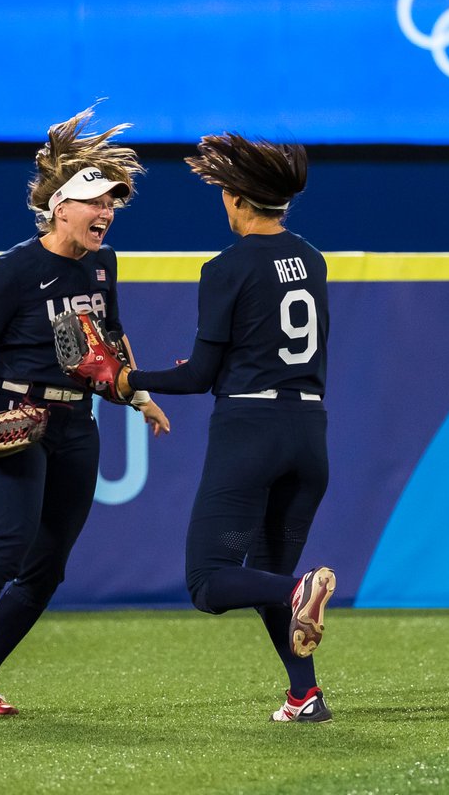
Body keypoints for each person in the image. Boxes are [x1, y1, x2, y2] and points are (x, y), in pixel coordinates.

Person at [0, 107, 170, 717]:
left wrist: (137, 393)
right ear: (62, 210)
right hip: (15, 410)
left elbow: (109, 333)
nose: (107, 212)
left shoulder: (103, 264)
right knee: (8, 543)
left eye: (113, 203)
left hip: (78, 423)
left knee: (49, 565)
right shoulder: (14, 268)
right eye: (96, 203)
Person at [118, 134, 336, 723]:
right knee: (270, 577)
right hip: (309, 430)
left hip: (251, 429)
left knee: (209, 583)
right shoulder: (312, 258)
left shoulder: (225, 267)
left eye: (223, 192)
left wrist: (124, 377)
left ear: (241, 200)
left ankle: (300, 595)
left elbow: (199, 378)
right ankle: (305, 696)